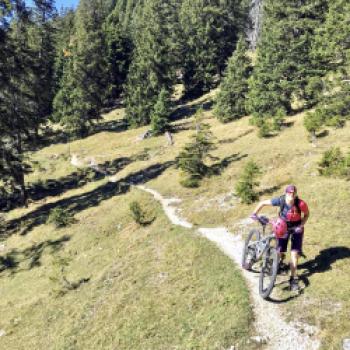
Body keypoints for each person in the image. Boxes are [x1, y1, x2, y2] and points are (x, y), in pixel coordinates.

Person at [250, 185, 309, 291]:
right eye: (289, 192)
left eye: (293, 193)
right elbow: (262, 203)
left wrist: (300, 226)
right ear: (286, 193)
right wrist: (254, 213)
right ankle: (279, 261)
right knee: (280, 250)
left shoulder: (301, 204)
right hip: (282, 227)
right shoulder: (280, 200)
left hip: (297, 229)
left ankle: (293, 279)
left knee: (294, 254)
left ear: (295, 194)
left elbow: (307, 215)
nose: (291, 194)